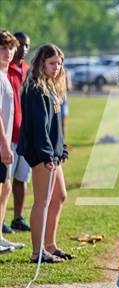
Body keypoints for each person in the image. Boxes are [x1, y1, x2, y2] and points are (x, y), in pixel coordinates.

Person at [18, 43, 74, 263]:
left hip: (53, 154)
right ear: (42, 63)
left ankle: (50, 245)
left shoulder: (51, 86)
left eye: (59, 64)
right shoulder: (34, 88)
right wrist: (46, 154)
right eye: (52, 63)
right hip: (42, 155)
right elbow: (38, 126)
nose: (57, 67)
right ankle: (37, 251)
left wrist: (60, 151)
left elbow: (54, 126)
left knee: (59, 196)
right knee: (41, 202)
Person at [0, 30, 25, 255]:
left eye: (10, 48)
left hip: (9, 139)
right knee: (4, 187)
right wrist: (5, 144)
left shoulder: (6, 76)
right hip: (2, 143)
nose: (8, 52)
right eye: (3, 48)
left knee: (6, 187)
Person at [5, 32, 32, 234]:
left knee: (21, 179)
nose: (23, 48)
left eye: (26, 45)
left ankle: (18, 218)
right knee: (4, 181)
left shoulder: (28, 70)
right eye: (19, 44)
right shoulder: (4, 70)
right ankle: (2, 219)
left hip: (25, 134)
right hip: (8, 133)